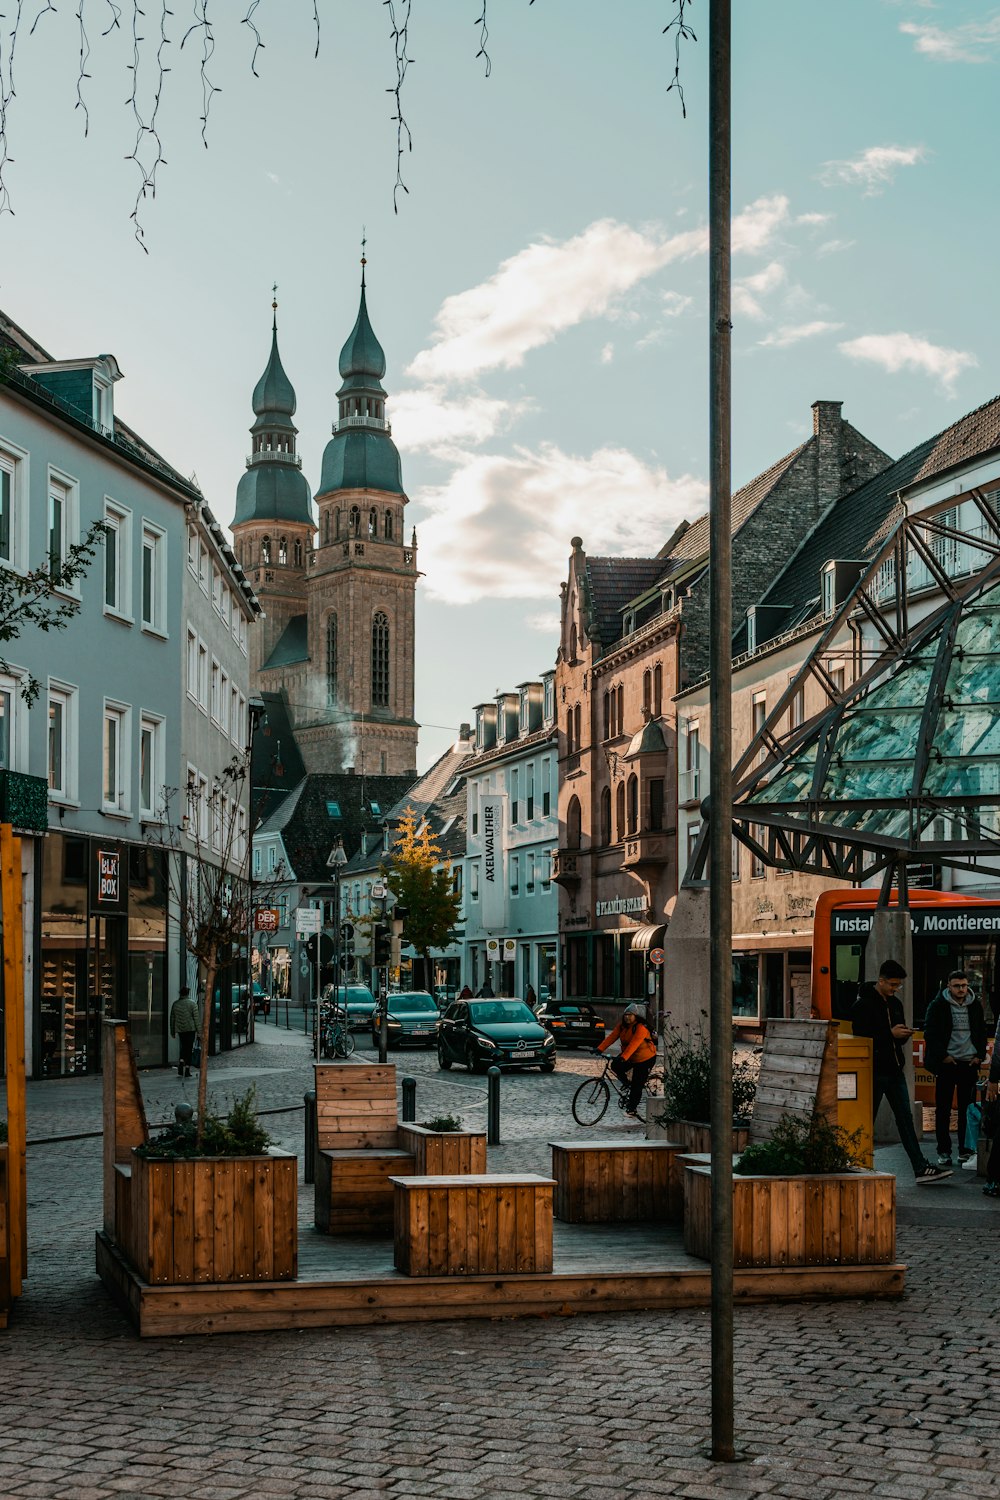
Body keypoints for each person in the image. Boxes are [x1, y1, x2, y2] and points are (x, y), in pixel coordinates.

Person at [851, 960, 951, 1184]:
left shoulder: (895, 1003)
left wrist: (903, 1034)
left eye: (898, 985)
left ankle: (920, 1167)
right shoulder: (862, 1006)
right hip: (874, 1071)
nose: (895, 989)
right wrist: (890, 1034)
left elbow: (895, 1032)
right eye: (893, 984)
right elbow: (862, 1040)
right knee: (867, 1119)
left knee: (905, 1119)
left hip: (895, 1070)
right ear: (881, 980)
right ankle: (858, 1163)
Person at [923, 969, 987, 1166]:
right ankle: (944, 1151)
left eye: (965, 985)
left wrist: (979, 1056)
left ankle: (965, 1150)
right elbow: (930, 1033)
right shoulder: (938, 1005)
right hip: (947, 1064)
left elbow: (981, 1030)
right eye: (957, 986)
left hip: (969, 1063)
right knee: (943, 1109)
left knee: (966, 1110)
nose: (962, 989)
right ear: (949, 986)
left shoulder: (975, 1005)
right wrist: (944, 1056)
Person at [597, 1001, 656, 1117]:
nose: (627, 1017)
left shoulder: (641, 1028)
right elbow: (612, 1037)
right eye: (626, 1015)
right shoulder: (622, 1026)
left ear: (636, 1016)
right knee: (615, 1066)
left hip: (645, 1058)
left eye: (630, 1015)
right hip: (630, 1056)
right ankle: (626, 1083)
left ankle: (632, 1109)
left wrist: (623, 1057)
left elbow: (634, 1044)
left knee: (637, 1084)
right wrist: (599, 1049)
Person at [169, 985, 200, 1079]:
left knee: (183, 1047)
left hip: (180, 1029)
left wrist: (172, 1031)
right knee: (189, 1049)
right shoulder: (192, 1003)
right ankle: (187, 1069)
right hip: (190, 1029)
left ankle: (181, 1063)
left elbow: (172, 1018)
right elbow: (196, 1019)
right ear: (188, 993)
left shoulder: (175, 1004)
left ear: (180, 993)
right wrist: (199, 1031)